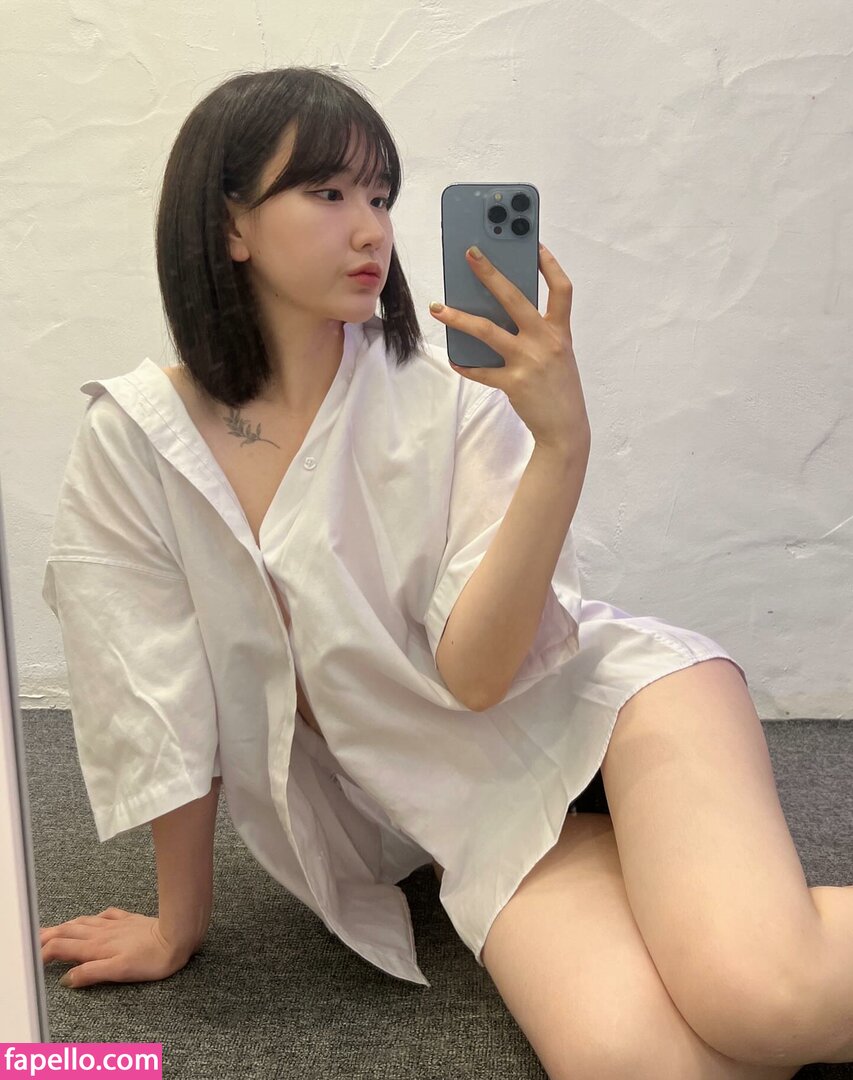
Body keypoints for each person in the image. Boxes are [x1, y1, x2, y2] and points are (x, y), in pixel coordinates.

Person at [39, 66, 852, 1076]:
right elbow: (157, 696)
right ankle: (697, 901)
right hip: (476, 802)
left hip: (615, 710)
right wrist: (178, 923)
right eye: (328, 193)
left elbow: (477, 674)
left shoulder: (448, 393)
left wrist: (561, 447)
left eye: (381, 196)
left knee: (766, 1000)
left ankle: (736, 929)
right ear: (230, 223)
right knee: (636, 1064)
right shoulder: (137, 441)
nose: (371, 230)